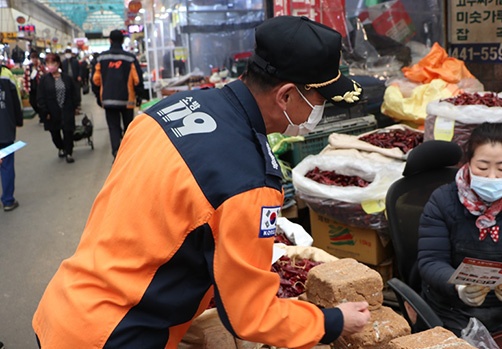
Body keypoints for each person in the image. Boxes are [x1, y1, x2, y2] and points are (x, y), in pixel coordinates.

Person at [33, 16, 368, 348]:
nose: (319, 112)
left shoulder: (165, 110)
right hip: (115, 336)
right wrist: (333, 321)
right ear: (286, 96)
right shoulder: (248, 180)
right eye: (321, 102)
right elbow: (250, 315)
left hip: (63, 308)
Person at [418, 122, 502, 335]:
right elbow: (430, 261)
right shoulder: (442, 201)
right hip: (455, 306)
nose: (492, 177)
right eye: (482, 167)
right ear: (469, 163)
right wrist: (458, 287)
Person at [93, 29, 145, 158]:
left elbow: (95, 80)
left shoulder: (101, 58)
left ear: (109, 40)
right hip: (127, 99)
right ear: (122, 40)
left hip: (108, 99)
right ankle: (130, 153)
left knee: (113, 127)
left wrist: (98, 97)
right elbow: (137, 79)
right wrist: (139, 95)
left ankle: (116, 153)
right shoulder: (129, 58)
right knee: (129, 127)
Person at [37, 53, 79, 163]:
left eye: (53, 63)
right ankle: (61, 147)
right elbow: (41, 96)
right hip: (51, 111)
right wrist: (44, 110)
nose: (50, 66)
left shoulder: (66, 78)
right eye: (48, 63)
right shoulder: (44, 80)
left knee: (68, 132)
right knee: (55, 133)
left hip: (67, 109)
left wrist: (75, 105)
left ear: (58, 64)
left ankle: (69, 152)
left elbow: (74, 92)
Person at [0, 63, 23, 211]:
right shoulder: (7, 75)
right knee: (6, 165)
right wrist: (18, 120)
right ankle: (8, 200)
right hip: (5, 128)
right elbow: (17, 100)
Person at [23, 51, 46, 122]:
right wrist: (26, 87)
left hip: (39, 88)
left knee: (40, 102)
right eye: (32, 58)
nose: (34, 60)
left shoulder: (41, 66)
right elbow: (25, 77)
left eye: (35, 58)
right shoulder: (28, 67)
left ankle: (43, 116)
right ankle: (40, 114)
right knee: (32, 102)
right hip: (31, 88)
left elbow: (44, 76)